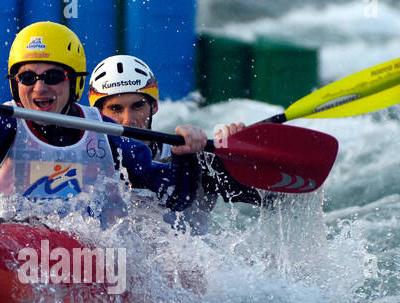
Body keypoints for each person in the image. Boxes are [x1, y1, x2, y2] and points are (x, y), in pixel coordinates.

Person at [0, 21, 208, 223]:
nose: (39, 89)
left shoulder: (104, 133)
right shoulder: (3, 126)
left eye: (53, 76)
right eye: (27, 77)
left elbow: (174, 196)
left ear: (75, 82)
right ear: (15, 84)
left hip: (68, 260)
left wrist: (185, 155)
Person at [88, 54, 277, 233]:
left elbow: (272, 199)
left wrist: (239, 158)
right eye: (115, 109)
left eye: (137, 106)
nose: (128, 120)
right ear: (99, 115)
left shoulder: (198, 158)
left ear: (153, 106)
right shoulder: (88, 163)